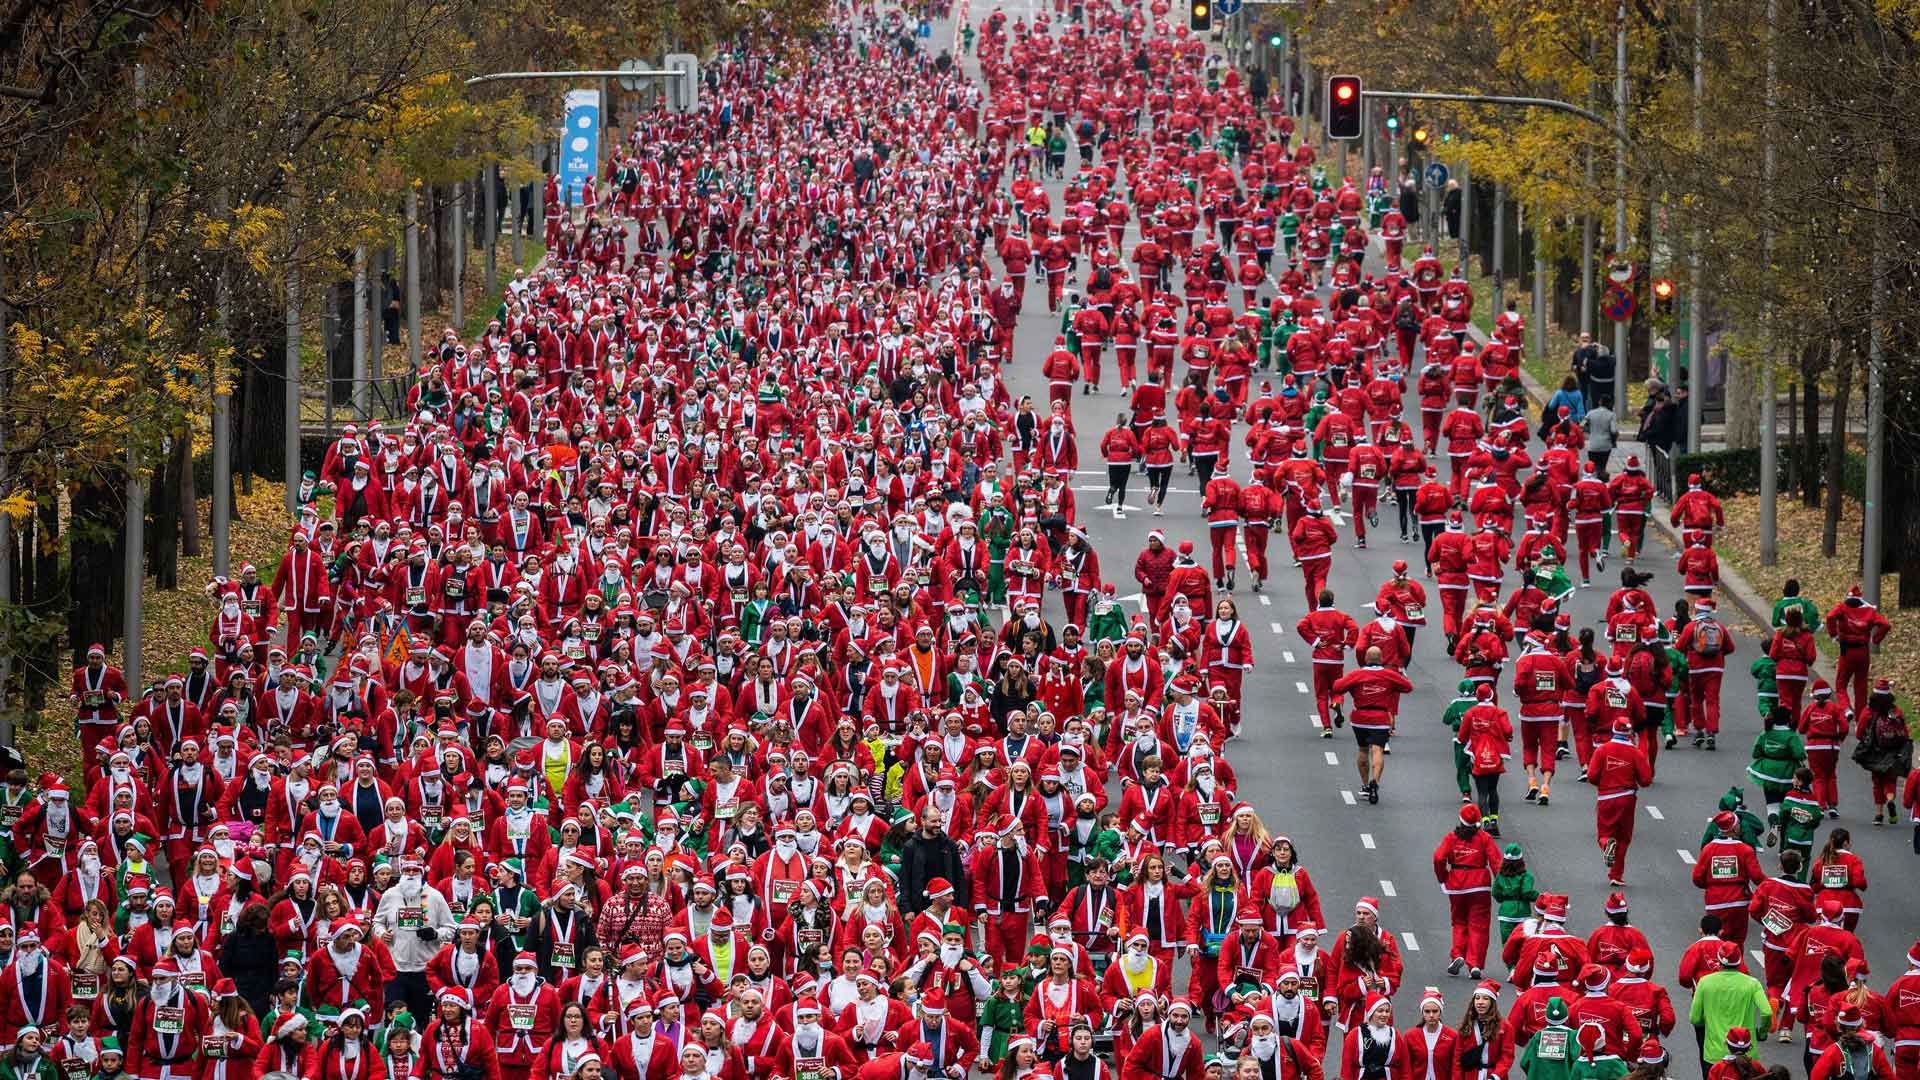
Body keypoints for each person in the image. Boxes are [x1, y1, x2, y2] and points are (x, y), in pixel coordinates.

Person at [1689, 942, 1771, 1072]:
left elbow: (1695, 1018)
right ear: (1739, 961)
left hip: (1714, 1054)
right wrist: (1761, 1032)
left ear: (1719, 960)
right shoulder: (1752, 983)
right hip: (1746, 1054)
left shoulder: (1705, 982)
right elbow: (1766, 1012)